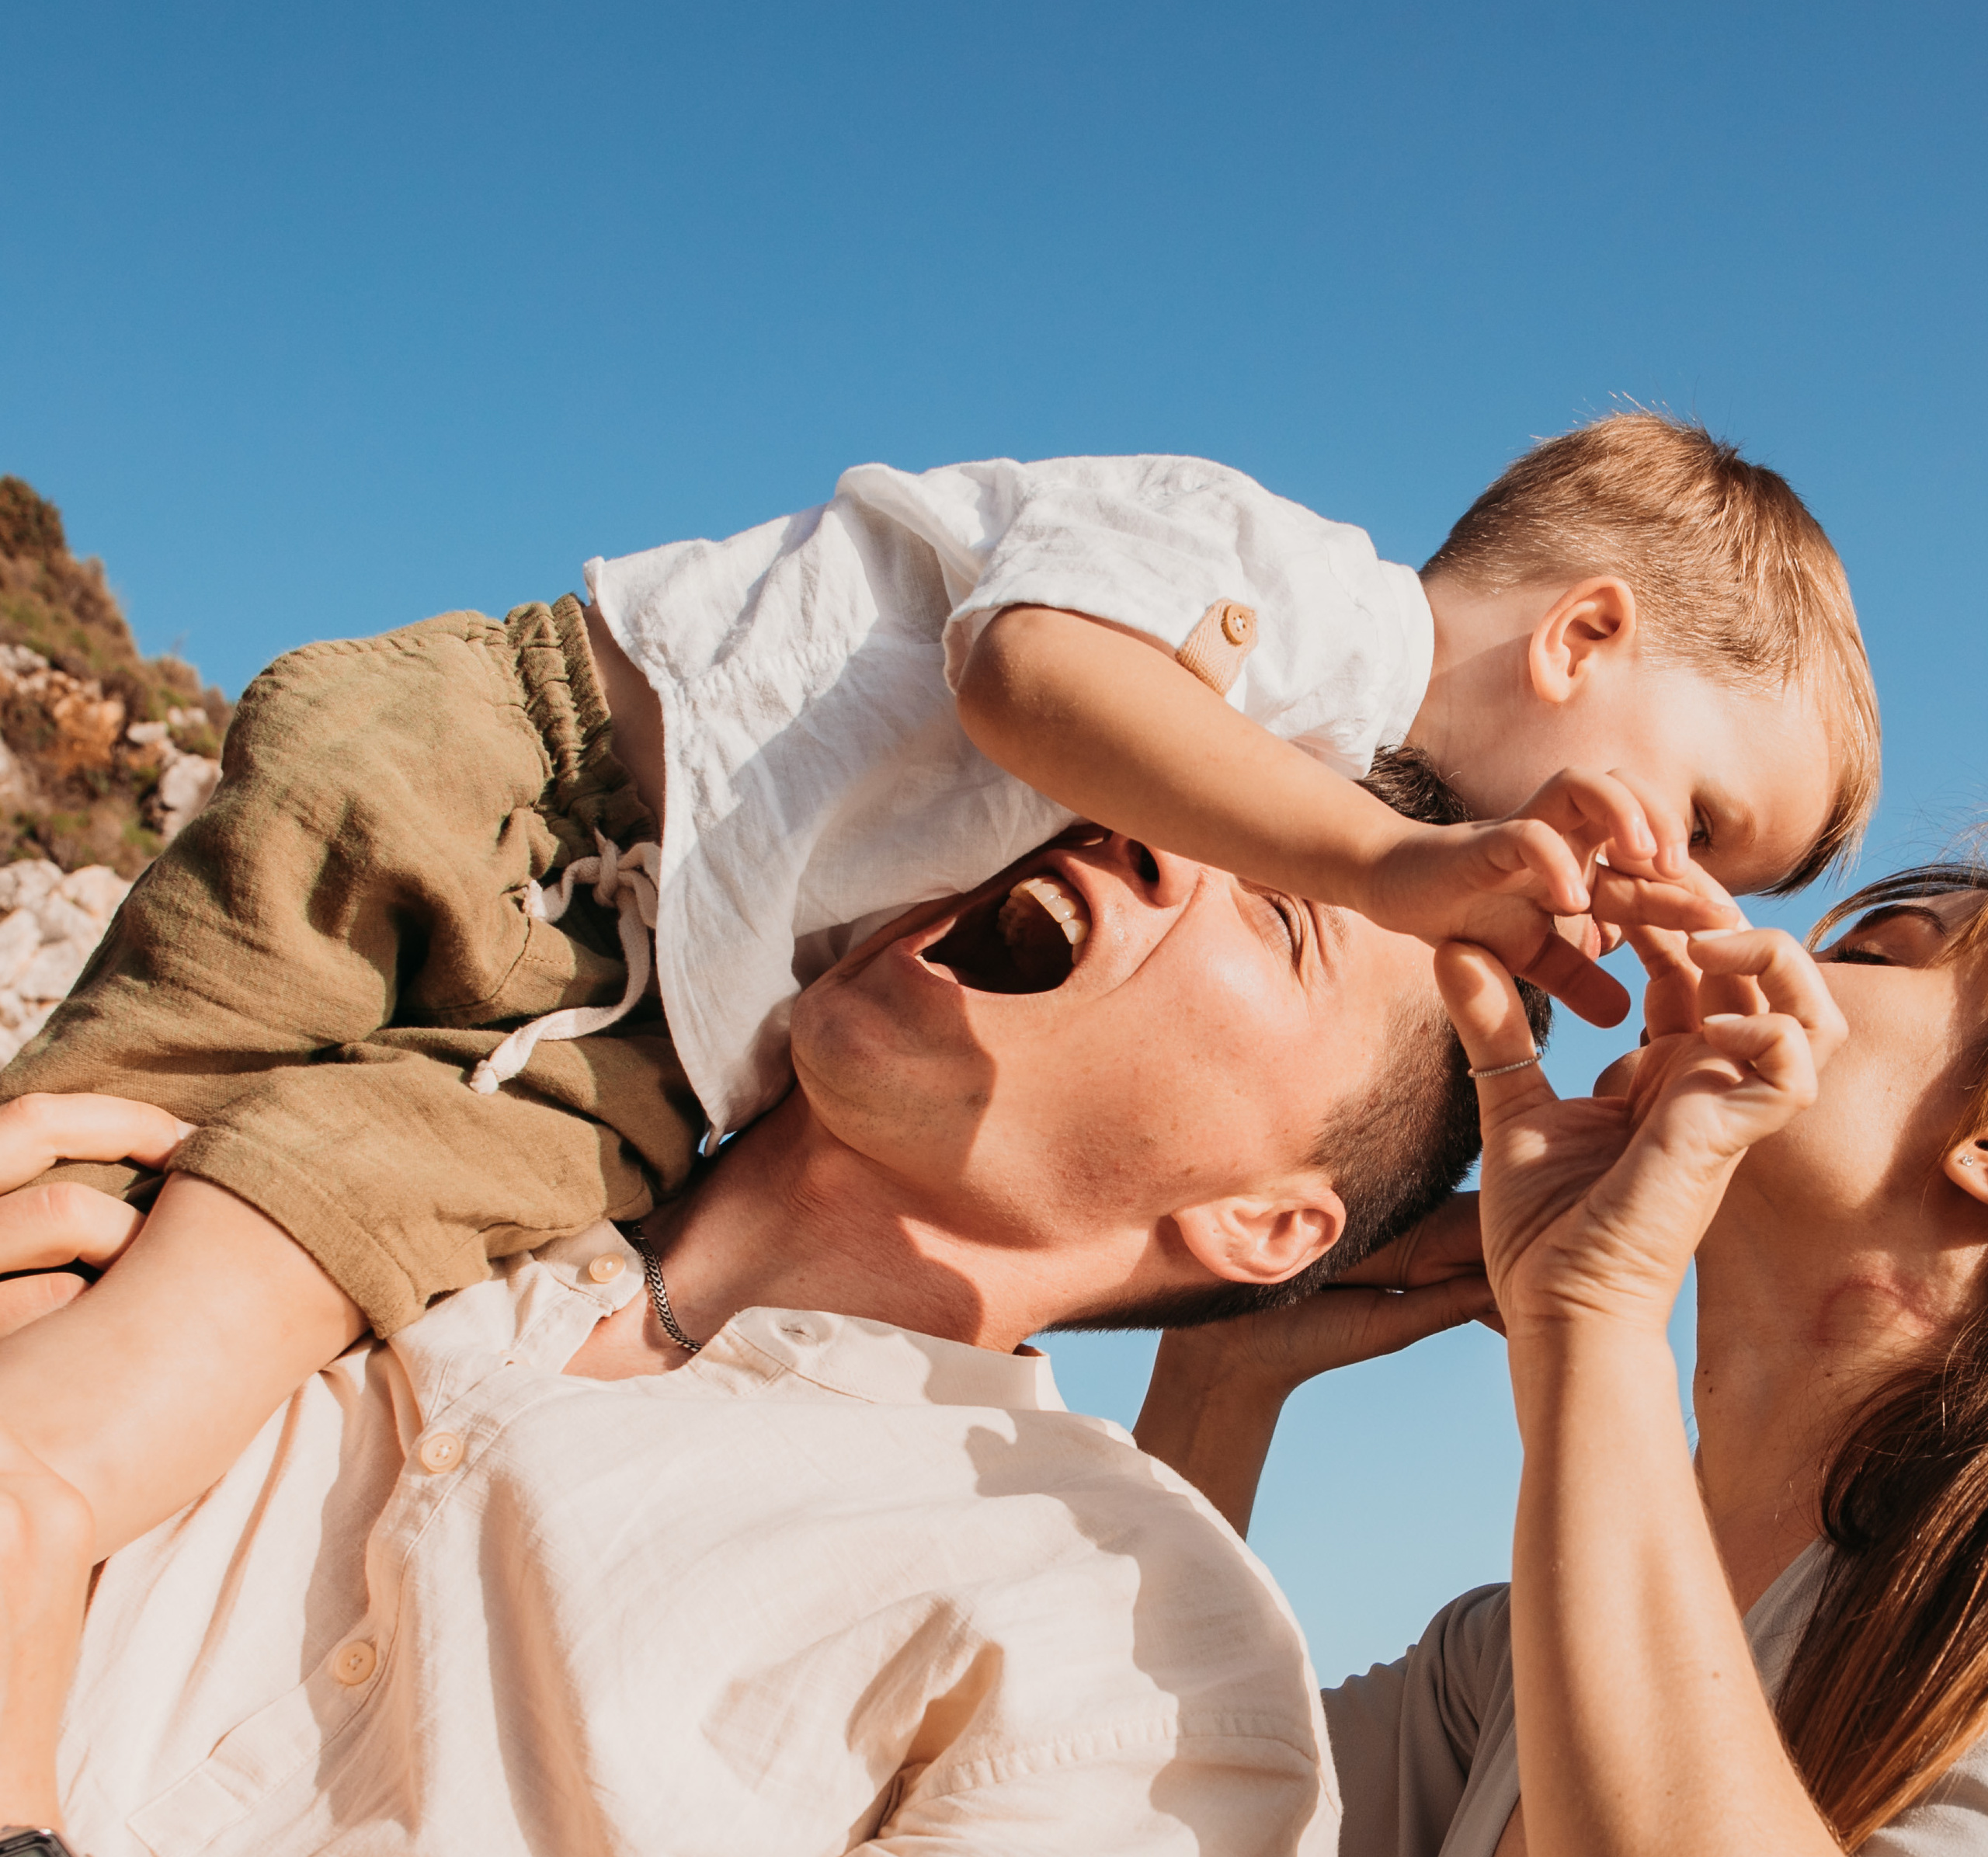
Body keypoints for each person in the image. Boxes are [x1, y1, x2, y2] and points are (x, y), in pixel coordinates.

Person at [0, 825, 1552, 1857]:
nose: (1142, 842)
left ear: (1264, 1221)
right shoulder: (293, 1184)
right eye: (1134, 801)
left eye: (1274, 913)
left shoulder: (1130, 1659)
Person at [0, 416, 1861, 1559]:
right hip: (521, 776)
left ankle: (61, 1469)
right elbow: (1024, 679)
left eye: (1719, 875)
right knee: (118, 1115)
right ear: (1582, 632)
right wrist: (1376, 870)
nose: (1668, 883)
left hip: (637, 994)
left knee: (267, 1231)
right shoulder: (1284, 589)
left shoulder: (1292, 791)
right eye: (1702, 813)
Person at [1141, 861, 1988, 1857]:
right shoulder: (1506, 1668)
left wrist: (1586, 1322)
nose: (1736, 937)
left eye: (1867, 950)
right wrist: (1215, 1377)